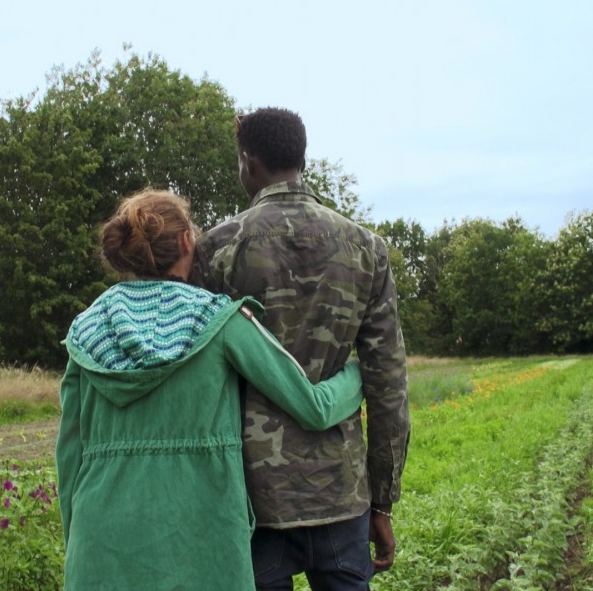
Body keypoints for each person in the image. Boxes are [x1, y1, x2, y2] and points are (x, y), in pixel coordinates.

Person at [55, 189, 365, 590]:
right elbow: (313, 408)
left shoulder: (85, 331)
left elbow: (69, 456)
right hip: (203, 545)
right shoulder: (219, 320)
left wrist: (75, 545)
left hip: (100, 545)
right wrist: (358, 374)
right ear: (187, 241)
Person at [192, 107, 410, 590]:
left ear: (249, 162)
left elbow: (201, 385)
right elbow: (388, 383)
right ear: (300, 158)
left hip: (254, 505)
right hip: (342, 496)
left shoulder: (217, 249)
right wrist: (382, 501)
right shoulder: (367, 249)